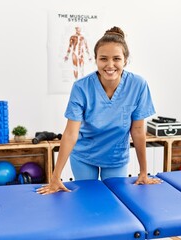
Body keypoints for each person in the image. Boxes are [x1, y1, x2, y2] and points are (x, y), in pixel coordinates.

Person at [37, 26, 160, 195]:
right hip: (84, 155)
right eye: (103, 59)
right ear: (95, 60)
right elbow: (71, 133)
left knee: (116, 201)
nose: (110, 65)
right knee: (88, 200)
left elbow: (138, 130)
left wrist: (144, 172)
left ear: (125, 60)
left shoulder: (138, 85)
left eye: (116, 58)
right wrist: (55, 177)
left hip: (116, 157)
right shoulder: (81, 87)